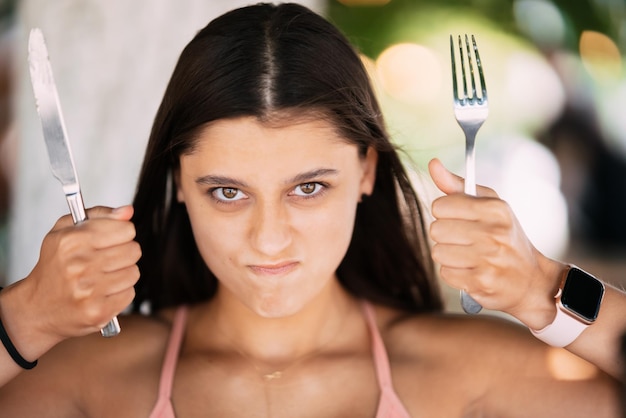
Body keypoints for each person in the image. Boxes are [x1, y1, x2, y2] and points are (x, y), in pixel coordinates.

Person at [0, 3, 623, 417]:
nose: (268, 240)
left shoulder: (467, 373)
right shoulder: (92, 378)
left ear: (366, 172)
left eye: (308, 188)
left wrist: (546, 290)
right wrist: (27, 314)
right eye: (227, 192)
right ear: (180, 185)